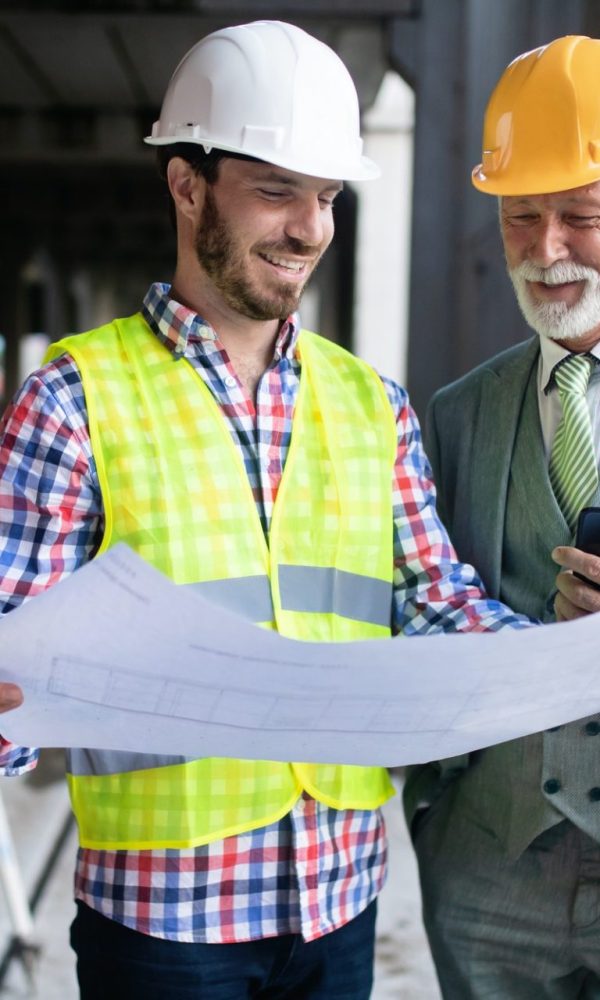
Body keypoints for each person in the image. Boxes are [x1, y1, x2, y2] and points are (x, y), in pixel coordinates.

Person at [0, 20, 531, 1000]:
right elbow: (12, 657)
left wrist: (557, 660)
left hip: (340, 899)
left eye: (326, 196)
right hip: (164, 916)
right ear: (187, 184)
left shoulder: (373, 403)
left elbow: (437, 602)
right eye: (276, 189)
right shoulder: (75, 397)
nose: (309, 228)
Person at [404, 34, 600, 1000]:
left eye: (581, 215)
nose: (547, 249)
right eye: (522, 218)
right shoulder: (456, 413)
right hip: (489, 870)